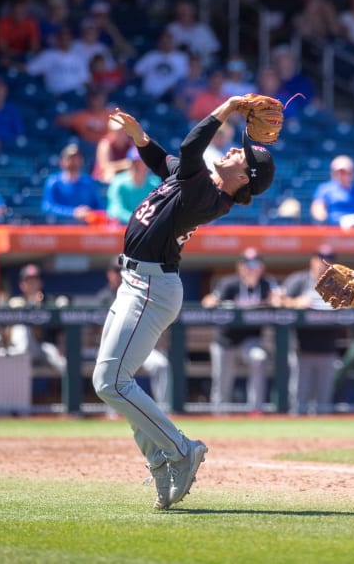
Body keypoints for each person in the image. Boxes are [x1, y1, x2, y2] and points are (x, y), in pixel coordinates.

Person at [91, 95, 277, 510]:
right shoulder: (202, 185)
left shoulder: (207, 197)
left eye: (239, 153)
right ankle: (160, 460)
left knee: (110, 382)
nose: (231, 149)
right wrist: (140, 138)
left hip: (151, 289)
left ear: (245, 177)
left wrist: (226, 109)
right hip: (136, 282)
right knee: (115, 384)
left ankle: (179, 449)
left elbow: (191, 150)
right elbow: (167, 164)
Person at [201, 248, 280, 414]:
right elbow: (208, 302)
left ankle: (256, 409)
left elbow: (279, 301)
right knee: (223, 378)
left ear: (262, 267)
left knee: (259, 358)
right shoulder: (229, 283)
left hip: (251, 340)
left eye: (255, 264)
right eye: (247, 264)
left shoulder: (267, 283)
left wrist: (275, 300)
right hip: (225, 340)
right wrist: (218, 303)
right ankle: (220, 413)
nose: (251, 268)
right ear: (240, 267)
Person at [93, 257, 170, 407]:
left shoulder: (138, 295)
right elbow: (100, 330)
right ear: (109, 273)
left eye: (125, 270)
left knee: (161, 364)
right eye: (117, 271)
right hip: (111, 349)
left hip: (138, 346)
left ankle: (164, 410)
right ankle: (113, 413)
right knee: (110, 372)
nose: (121, 274)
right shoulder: (103, 297)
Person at [282, 245, 341, 415]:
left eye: (329, 259)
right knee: (298, 401)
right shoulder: (299, 280)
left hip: (328, 349)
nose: (325, 263)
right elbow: (279, 301)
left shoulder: (339, 283)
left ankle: (321, 440)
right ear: (312, 260)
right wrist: (295, 303)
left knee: (324, 403)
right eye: (321, 258)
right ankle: (295, 438)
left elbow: (353, 305)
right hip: (301, 349)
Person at [3, 263, 67, 374]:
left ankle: (75, 390)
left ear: (40, 282)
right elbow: (6, 334)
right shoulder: (16, 303)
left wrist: (37, 305)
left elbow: (60, 328)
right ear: (22, 284)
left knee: (64, 365)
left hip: (44, 348)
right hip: (19, 350)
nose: (32, 283)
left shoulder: (49, 301)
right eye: (28, 280)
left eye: (35, 279)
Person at [41, 143, 103, 224]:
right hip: (60, 229)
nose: (73, 161)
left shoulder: (88, 182)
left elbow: (99, 207)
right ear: (62, 161)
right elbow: (47, 207)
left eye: (76, 158)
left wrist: (89, 213)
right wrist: (73, 213)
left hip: (85, 229)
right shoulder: (54, 182)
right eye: (70, 158)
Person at [310, 155, 354, 226]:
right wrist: (324, 220)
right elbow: (318, 209)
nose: (342, 175)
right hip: (332, 229)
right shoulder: (325, 189)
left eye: (345, 172)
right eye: (339, 172)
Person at [106, 146, 159, 223]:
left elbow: (160, 209)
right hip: (123, 231)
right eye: (136, 163)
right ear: (130, 164)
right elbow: (115, 211)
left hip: (148, 230)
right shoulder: (118, 182)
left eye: (144, 162)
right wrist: (139, 221)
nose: (140, 166)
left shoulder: (155, 184)